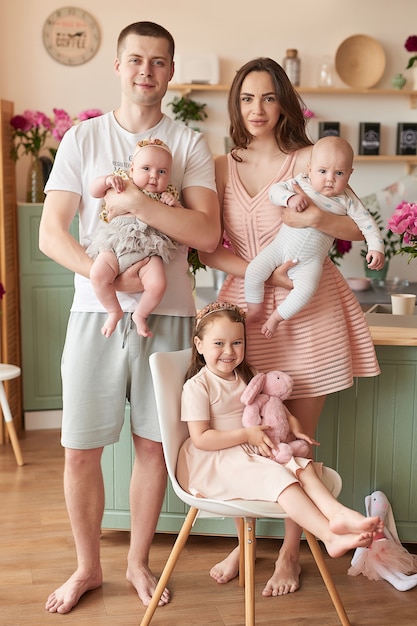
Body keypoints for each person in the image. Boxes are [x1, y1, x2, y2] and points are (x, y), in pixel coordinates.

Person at [39, 21, 220, 614]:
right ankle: (87, 567)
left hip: (165, 314)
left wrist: (139, 203)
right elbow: (49, 234)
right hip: (95, 313)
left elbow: (206, 231)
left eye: (159, 62)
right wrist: (103, 272)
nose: (147, 71)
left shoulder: (188, 144)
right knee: (79, 450)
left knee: (152, 448)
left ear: (171, 72)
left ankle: (138, 562)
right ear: (118, 67)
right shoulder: (82, 139)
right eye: (136, 59)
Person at [199, 57, 380, 597]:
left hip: (311, 308)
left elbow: (352, 222)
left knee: (295, 439)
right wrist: (266, 274)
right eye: (247, 98)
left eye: (269, 98)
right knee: (247, 433)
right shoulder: (217, 165)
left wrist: (312, 219)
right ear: (235, 104)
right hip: (247, 310)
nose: (257, 109)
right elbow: (208, 246)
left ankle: (289, 551)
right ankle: (246, 539)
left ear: (285, 104)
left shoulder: (312, 159)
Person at [176, 301, 382, 560]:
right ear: (199, 345)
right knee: (281, 479)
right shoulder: (198, 386)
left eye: (237, 343)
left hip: (249, 448)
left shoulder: (245, 375)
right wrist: (247, 435)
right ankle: (329, 537)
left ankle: (337, 513)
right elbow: (201, 439)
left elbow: (272, 405)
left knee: (301, 465)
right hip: (215, 460)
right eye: (218, 343)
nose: (229, 351)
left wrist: (293, 423)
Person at [244, 135, 385, 338]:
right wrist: (290, 198)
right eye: (322, 171)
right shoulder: (301, 183)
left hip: (310, 261)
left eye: (339, 173)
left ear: (350, 174)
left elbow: (367, 224)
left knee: (305, 291)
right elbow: (274, 191)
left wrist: (376, 248)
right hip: (279, 248)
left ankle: (276, 317)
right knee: (254, 271)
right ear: (309, 169)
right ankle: (255, 308)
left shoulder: (348, 200)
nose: (330, 179)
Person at [88, 138, 182, 338]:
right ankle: (114, 310)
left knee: (158, 284)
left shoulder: (167, 194)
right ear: (131, 170)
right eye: (146, 168)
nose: (153, 176)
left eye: (162, 172)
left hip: (149, 247)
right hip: (116, 242)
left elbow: (182, 221)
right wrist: (106, 181)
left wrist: (174, 205)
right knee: (97, 275)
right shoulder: (122, 181)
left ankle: (141, 314)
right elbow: (94, 191)